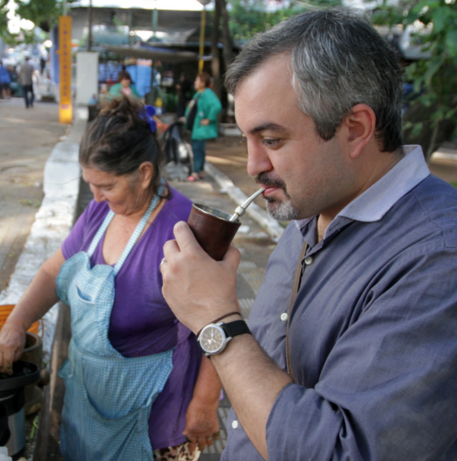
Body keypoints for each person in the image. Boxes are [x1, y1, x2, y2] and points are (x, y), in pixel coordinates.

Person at [160, 8, 457, 460]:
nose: (253, 166)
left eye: (272, 141)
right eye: (246, 140)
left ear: (355, 129)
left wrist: (217, 321)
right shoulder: (311, 210)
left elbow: (342, 451)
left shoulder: (439, 257)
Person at [0, 96, 223, 461]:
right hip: (89, 401)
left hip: (153, 416)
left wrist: (205, 404)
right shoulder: (100, 213)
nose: (95, 197)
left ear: (144, 173)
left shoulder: (184, 230)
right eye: (90, 184)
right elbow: (53, 270)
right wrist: (17, 322)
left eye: (107, 186)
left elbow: (219, 326)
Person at [185, 73, 221, 181]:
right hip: (196, 128)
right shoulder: (199, 94)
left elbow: (217, 106)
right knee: (198, 149)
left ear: (203, 82)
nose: (195, 83)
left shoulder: (208, 93)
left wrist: (209, 118)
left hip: (200, 129)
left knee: (197, 149)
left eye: (197, 80)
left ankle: (195, 172)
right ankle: (199, 170)